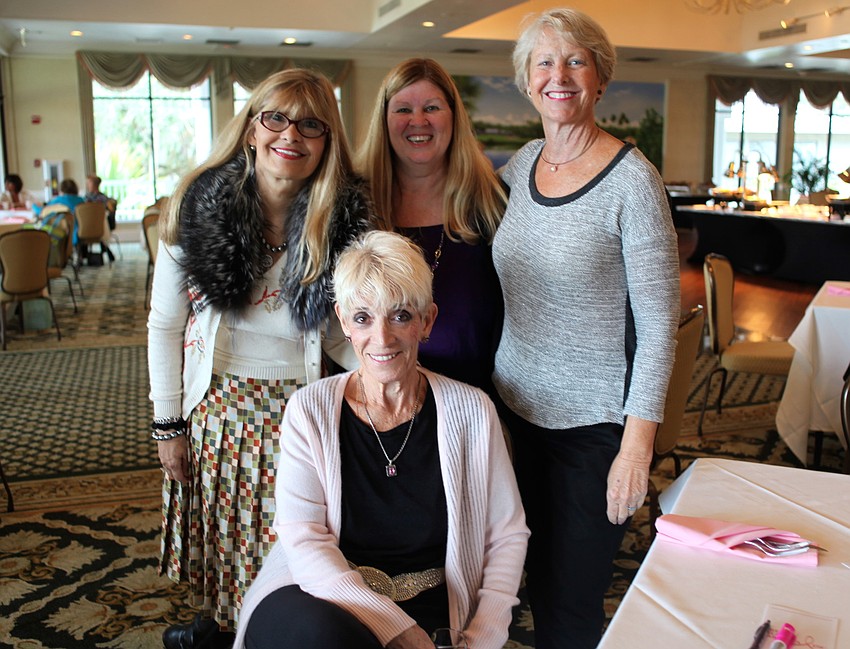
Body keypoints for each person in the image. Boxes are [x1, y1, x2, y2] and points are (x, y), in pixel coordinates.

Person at [147, 68, 373, 649]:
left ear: (327, 143)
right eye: (276, 117)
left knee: (287, 554)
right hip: (216, 409)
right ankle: (222, 633)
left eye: (311, 124)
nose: (290, 134)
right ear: (252, 128)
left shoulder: (343, 221)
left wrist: (388, 376)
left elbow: (336, 335)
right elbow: (165, 325)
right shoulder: (197, 205)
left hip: (299, 410)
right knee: (229, 551)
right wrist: (167, 425)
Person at [232, 230, 528, 649]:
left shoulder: (474, 412)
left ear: (427, 321)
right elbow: (304, 540)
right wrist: (396, 629)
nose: (382, 338)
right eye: (363, 317)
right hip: (321, 595)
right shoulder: (309, 410)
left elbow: (507, 536)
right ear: (342, 322)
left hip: (431, 605)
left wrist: (484, 635)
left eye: (401, 315)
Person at [493, 8, 680, 649]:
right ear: (526, 80)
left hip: (592, 432)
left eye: (576, 60)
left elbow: (659, 328)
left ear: (599, 79)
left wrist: (636, 448)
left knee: (569, 605)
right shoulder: (518, 167)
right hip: (511, 415)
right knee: (510, 580)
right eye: (544, 61)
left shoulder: (633, 181)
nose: (559, 75)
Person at [357, 58, 507, 394]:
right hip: (377, 404)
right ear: (384, 121)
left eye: (432, 107)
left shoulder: (492, 203)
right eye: (403, 110)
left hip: (475, 403)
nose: (418, 120)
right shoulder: (355, 206)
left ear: (453, 118)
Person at [83, 174, 116, 262]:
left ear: (94, 184)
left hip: (100, 225)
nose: (87, 185)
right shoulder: (86, 197)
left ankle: (83, 255)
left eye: (89, 183)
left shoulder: (102, 198)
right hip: (89, 224)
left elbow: (109, 212)